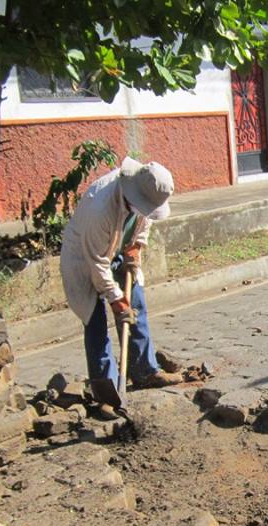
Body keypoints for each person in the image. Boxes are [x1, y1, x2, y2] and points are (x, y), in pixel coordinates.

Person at [59, 157, 184, 400]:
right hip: (84, 260)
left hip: (117, 249)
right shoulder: (100, 209)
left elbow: (145, 219)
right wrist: (116, 301)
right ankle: (108, 391)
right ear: (132, 194)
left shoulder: (145, 192)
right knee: (96, 324)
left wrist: (136, 245)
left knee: (135, 305)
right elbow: (97, 264)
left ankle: (144, 370)